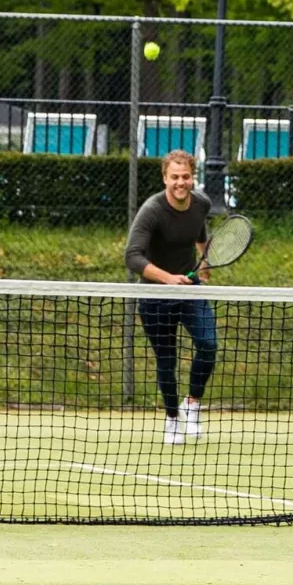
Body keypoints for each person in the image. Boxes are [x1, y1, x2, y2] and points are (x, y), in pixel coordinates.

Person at [124, 150, 217, 445]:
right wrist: (167, 278)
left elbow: (201, 235)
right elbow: (132, 257)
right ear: (165, 178)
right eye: (174, 177)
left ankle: (191, 405)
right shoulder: (152, 210)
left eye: (186, 176)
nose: (181, 182)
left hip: (190, 292)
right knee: (166, 361)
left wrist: (205, 261)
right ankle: (173, 420)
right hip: (156, 295)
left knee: (208, 344)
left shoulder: (201, 203)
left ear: (193, 177)